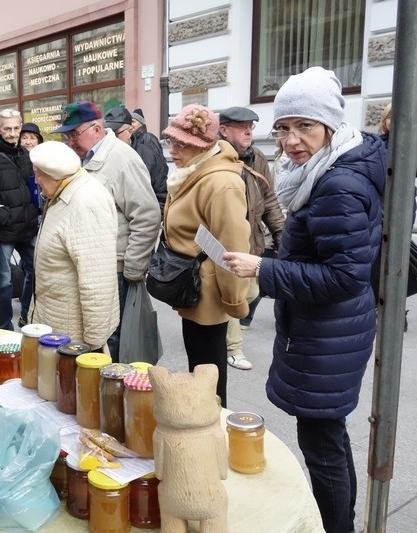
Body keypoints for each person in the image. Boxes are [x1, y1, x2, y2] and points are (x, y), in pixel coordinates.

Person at [223, 67, 385, 533]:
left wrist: (265, 268)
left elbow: (345, 276)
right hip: (331, 329)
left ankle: (337, 527)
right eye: (283, 127)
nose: (291, 140)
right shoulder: (326, 168)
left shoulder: (337, 183)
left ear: (331, 126)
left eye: (304, 126)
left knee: (323, 445)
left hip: (329, 332)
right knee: (327, 439)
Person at [54, 101, 160, 361]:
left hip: (115, 270)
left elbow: (147, 215)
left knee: (110, 337)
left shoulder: (123, 160)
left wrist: (133, 267)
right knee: (95, 332)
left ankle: (113, 392)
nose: (70, 142)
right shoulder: (85, 158)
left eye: (74, 134)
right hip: (93, 265)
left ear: (97, 129)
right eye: (67, 136)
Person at [160, 103, 250, 407]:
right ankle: (202, 424)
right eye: (172, 141)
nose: (174, 149)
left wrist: (235, 301)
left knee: (209, 376)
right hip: (194, 288)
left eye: (184, 144)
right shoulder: (191, 172)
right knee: (200, 368)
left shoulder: (220, 182)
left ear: (204, 146)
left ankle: (212, 430)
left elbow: (233, 248)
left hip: (209, 295)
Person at [28, 141, 119, 348]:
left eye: (39, 174)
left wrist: (93, 343)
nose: (36, 180)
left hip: (73, 338)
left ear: (56, 175)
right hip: (56, 324)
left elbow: (97, 283)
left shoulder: (87, 202)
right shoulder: (63, 190)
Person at [218, 106, 285, 370]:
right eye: (242, 126)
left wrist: (282, 234)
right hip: (225, 243)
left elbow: (269, 199)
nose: (249, 131)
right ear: (224, 130)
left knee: (253, 292)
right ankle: (232, 348)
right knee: (234, 294)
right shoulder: (214, 157)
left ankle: (224, 323)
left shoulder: (256, 156)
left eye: (251, 126)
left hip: (252, 243)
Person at [0, 109, 39, 330]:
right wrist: (6, 217)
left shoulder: (26, 154)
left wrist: (34, 211)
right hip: (3, 231)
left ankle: (26, 316)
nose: (12, 133)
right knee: (3, 281)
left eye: (16, 128)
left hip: (27, 227)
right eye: (7, 129)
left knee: (36, 271)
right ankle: (4, 326)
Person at [105, 106, 168, 209]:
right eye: (107, 134)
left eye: (115, 134)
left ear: (129, 131)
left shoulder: (148, 155)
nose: (110, 139)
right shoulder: (101, 156)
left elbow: (160, 195)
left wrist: (152, 221)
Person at [131, 108, 168, 205]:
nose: (131, 125)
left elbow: (157, 165)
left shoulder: (148, 138)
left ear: (141, 123)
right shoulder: (135, 139)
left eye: (133, 121)